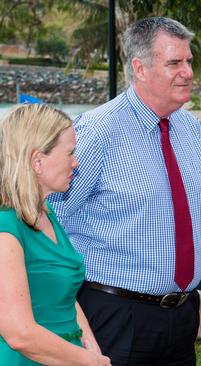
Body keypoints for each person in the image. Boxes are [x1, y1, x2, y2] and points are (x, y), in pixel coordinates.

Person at [49, 17, 201, 366]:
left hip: (182, 313)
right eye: (174, 63)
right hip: (114, 316)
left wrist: (190, 290)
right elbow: (52, 220)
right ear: (140, 68)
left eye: (188, 61)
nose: (187, 71)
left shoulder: (191, 129)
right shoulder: (96, 132)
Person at [0, 104, 110, 365]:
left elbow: (65, 293)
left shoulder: (45, 214)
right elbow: (20, 335)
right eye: (70, 153)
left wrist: (90, 343)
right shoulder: (6, 229)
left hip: (67, 355)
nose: (76, 162)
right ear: (37, 161)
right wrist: (90, 361)